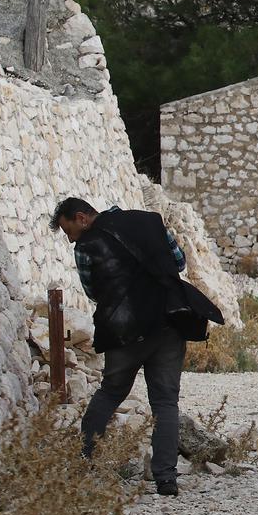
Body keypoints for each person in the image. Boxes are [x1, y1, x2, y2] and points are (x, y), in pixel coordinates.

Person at [51, 197, 225, 497]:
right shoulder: (150, 221)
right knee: (166, 402)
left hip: (124, 331)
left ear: (81, 218)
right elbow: (179, 262)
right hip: (169, 323)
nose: (71, 240)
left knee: (110, 393)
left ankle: (85, 461)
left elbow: (93, 292)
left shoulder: (86, 247)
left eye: (70, 232)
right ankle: (166, 479)